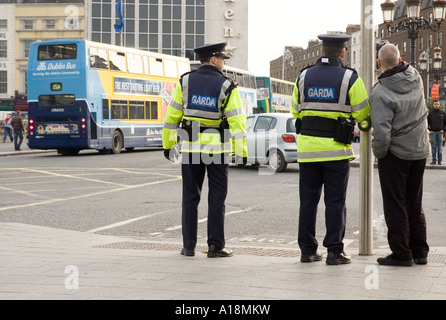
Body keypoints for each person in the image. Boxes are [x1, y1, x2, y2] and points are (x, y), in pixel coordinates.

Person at [162, 43, 247, 258]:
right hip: (217, 150)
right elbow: (237, 122)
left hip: (190, 149)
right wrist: (242, 151)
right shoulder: (226, 85)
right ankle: (215, 247)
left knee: (190, 197)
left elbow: (171, 117)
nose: (224, 63)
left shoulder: (185, 81)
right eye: (222, 59)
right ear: (213, 59)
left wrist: (168, 145)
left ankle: (188, 246)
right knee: (217, 199)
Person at [291, 34, 370, 265]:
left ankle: (307, 250)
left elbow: (295, 110)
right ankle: (334, 251)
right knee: (335, 202)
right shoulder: (350, 78)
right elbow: (363, 113)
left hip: (307, 150)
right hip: (336, 151)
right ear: (343, 52)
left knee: (308, 201)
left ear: (321, 51)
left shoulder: (303, 75)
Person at [370, 43, 430, 266]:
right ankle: (420, 251)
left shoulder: (380, 92)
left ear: (379, 63)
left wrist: (380, 154)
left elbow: (382, 133)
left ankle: (402, 253)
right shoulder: (416, 77)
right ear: (400, 58)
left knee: (395, 204)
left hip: (396, 154)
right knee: (414, 201)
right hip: (420, 150)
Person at [427, 100, 446, 165]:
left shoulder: (442, 113)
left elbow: (445, 122)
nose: (436, 105)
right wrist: (429, 130)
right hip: (433, 132)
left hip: (440, 132)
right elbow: (427, 122)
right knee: (434, 147)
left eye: (437, 104)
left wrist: (443, 130)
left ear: (439, 105)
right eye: (435, 104)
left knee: (440, 147)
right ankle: (434, 160)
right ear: (433, 105)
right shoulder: (430, 114)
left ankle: (439, 161)